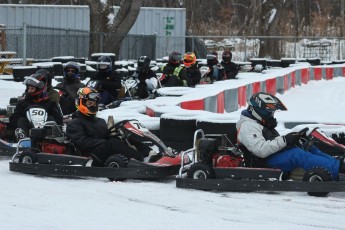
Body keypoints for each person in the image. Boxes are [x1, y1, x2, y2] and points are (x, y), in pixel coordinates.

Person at [236, 92, 344, 179]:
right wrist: (285, 140)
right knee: (296, 154)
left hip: (272, 155)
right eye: (269, 113)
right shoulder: (248, 126)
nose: (271, 116)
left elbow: (271, 141)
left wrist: (292, 139)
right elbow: (260, 150)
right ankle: (337, 169)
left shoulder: (257, 123)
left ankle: (338, 165)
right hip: (263, 162)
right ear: (257, 110)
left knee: (308, 147)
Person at [66, 87, 152, 166]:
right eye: (90, 103)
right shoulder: (75, 122)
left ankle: (150, 154)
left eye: (94, 103)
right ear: (81, 103)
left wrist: (117, 134)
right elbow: (82, 142)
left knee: (126, 137)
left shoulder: (100, 121)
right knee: (112, 143)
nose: (93, 105)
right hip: (90, 154)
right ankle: (141, 160)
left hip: (103, 149)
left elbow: (106, 136)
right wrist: (104, 141)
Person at [9, 73, 63, 140]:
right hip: (28, 132)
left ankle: (48, 141)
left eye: (32, 88)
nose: (29, 91)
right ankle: (23, 140)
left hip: (46, 134)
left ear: (39, 90)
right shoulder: (23, 102)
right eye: (28, 88)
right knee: (21, 120)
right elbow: (14, 118)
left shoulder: (50, 103)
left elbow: (59, 120)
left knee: (51, 119)